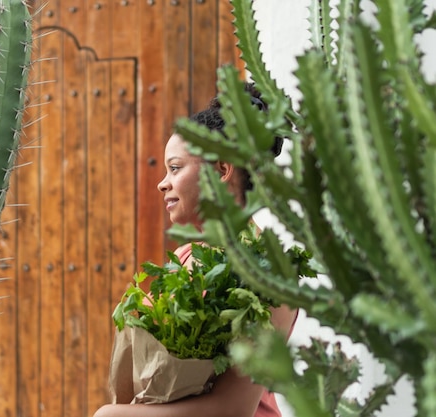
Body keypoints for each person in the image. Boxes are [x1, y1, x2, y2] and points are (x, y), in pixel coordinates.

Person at [93, 83, 297, 417]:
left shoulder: (269, 273)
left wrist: (113, 414)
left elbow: (233, 408)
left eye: (175, 168)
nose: (163, 183)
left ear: (221, 171)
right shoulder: (188, 257)